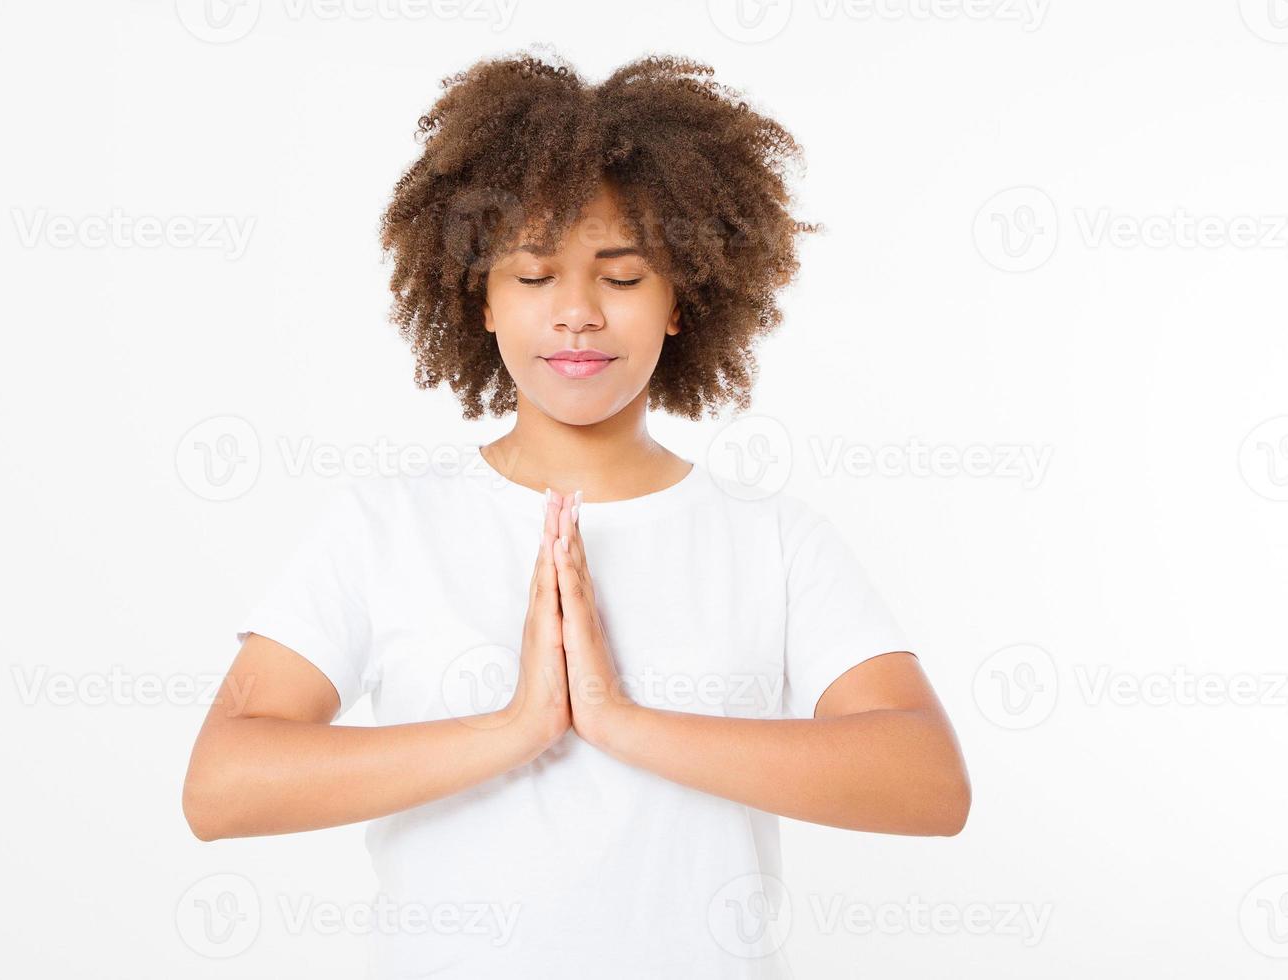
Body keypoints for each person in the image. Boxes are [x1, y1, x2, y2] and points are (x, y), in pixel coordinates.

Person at [182, 50, 970, 979]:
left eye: (623, 278)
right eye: (532, 276)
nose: (578, 314)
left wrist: (617, 720)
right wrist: (513, 729)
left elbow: (929, 784)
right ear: (478, 298)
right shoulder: (386, 529)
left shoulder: (771, 540)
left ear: (684, 300)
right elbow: (220, 789)